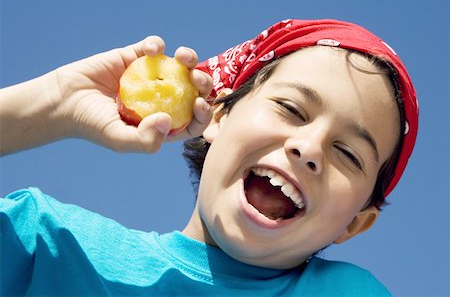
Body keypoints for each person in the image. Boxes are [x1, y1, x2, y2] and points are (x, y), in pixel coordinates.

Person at [0, 19, 418, 296]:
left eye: (348, 153)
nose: (308, 149)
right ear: (219, 112)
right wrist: (52, 102)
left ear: (356, 222)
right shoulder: (43, 243)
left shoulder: (346, 292)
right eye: (291, 109)